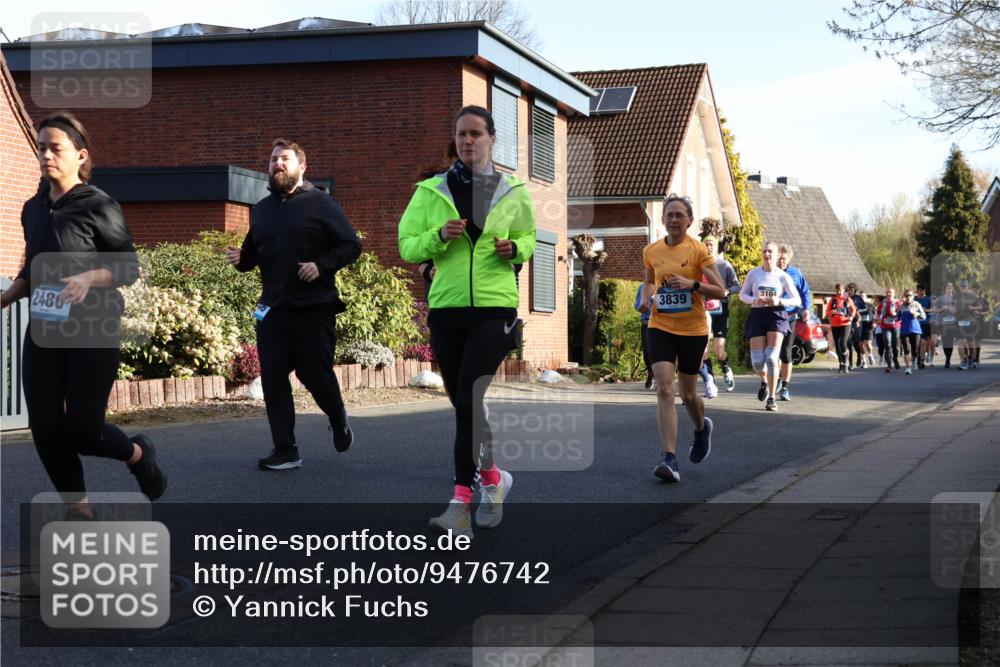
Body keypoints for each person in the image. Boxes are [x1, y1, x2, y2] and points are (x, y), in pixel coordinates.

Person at [0, 112, 165, 518]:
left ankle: (137, 454)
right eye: (41, 148)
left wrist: (90, 277)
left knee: (84, 431)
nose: (46, 156)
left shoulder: (99, 205)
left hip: (93, 327)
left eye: (55, 148)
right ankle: (80, 510)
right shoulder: (32, 209)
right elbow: (32, 268)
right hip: (44, 327)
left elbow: (128, 266)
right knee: (44, 426)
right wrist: (8, 295)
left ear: (81, 155)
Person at [398, 106, 535, 535]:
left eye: (476, 133)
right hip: (447, 308)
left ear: (492, 139)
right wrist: (438, 237)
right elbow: (406, 245)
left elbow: (529, 237)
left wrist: (516, 249)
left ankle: (460, 504)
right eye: (461, 134)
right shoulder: (431, 191)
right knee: (464, 405)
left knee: (469, 398)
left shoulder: (513, 190)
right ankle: (493, 479)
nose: (467, 140)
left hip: (495, 308)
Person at [228, 138, 361, 470]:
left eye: (284, 158)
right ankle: (285, 449)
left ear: (302, 166)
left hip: (314, 307)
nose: (277, 163)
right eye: (273, 159)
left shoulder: (321, 203)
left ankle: (337, 415)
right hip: (273, 309)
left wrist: (321, 265)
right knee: (273, 378)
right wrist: (241, 259)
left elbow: (351, 246)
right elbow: (252, 256)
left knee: (313, 374)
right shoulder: (262, 209)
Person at [638, 194, 726, 482]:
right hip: (660, 325)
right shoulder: (651, 251)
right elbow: (650, 282)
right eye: (669, 215)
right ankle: (669, 458)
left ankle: (701, 429)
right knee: (665, 387)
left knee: (688, 395)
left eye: (679, 215)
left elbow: (720, 290)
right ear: (663, 219)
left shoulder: (698, 251)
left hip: (692, 329)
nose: (674, 219)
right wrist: (645, 298)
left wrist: (693, 284)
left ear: (689, 220)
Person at [739, 242, 802, 411]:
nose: (767, 254)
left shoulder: (783, 276)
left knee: (772, 358)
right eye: (764, 251)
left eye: (770, 252)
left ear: (777, 255)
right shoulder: (754, 274)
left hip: (777, 316)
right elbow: (742, 295)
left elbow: (797, 300)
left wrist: (779, 300)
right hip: (757, 315)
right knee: (757, 363)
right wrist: (754, 299)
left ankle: (772, 398)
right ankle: (764, 381)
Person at [701, 235, 741, 391]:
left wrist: (726, 291)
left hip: (720, 308)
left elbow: (737, 285)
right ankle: (710, 382)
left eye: (712, 244)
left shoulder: (724, 265)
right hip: (703, 309)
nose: (709, 247)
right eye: (706, 244)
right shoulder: (698, 265)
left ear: (717, 247)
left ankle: (725, 367)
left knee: (719, 350)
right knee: (704, 349)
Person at [774, 244, 811, 401]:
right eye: (779, 258)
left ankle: (785, 387)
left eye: (784, 259)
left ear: (789, 259)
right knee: (773, 352)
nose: (781, 261)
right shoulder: (770, 272)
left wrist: (807, 309)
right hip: (773, 316)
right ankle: (776, 378)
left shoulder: (796, 273)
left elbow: (805, 292)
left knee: (786, 352)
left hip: (790, 316)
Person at [825, 283, 857, 373]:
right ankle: (841, 364)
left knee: (843, 343)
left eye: (841, 290)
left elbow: (853, 309)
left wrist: (851, 317)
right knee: (838, 346)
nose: (839, 292)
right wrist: (832, 312)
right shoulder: (833, 300)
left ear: (844, 290)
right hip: (835, 325)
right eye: (837, 290)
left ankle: (846, 364)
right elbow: (827, 313)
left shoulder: (847, 299)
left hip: (846, 324)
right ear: (836, 290)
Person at [898, 289, 926, 374]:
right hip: (904, 330)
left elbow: (924, 316)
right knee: (906, 349)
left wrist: (917, 314)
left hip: (915, 330)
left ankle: (914, 359)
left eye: (910, 295)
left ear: (913, 296)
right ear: (904, 296)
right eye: (906, 295)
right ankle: (908, 368)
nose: (908, 297)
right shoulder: (901, 306)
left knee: (915, 349)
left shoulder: (917, 304)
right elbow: (897, 317)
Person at [633, 283, 655, 389]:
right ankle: (651, 373)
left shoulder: (665, 286)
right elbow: (637, 305)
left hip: (663, 324)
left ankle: (659, 377)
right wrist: (642, 307)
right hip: (647, 323)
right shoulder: (643, 287)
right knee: (647, 353)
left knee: (660, 352)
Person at [876, 287, 902, 372]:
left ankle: (895, 358)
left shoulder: (897, 302)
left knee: (895, 346)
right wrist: (879, 319)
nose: (888, 294)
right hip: (885, 326)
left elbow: (901, 313)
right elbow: (878, 313)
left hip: (895, 326)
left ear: (894, 294)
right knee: (888, 344)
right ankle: (889, 365)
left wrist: (896, 314)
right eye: (887, 292)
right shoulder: (883, 303)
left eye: (890, 292)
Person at [846, 283, 869, 369]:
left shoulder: (858, 299)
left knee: (856, 342)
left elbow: (865, 311)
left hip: (856, 322)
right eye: (848, 290)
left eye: (851, 290)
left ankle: (859, 356)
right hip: (847, 322)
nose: (850, 292)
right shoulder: (845, 298)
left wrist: (857, 313)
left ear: (854, 291)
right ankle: (850, 363)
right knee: (848, 342)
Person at [914, 284, 933, 368]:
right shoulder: (914, 299)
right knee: (917, 343)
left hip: (925, 323)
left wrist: (926, 310)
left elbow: (933, 309)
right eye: (920, 290)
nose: (922, 292)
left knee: (923, 342)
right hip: (915, 324)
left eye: (923, 290)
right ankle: (917, 358)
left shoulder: (928, 299)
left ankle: (921, 360)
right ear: (917, 291)